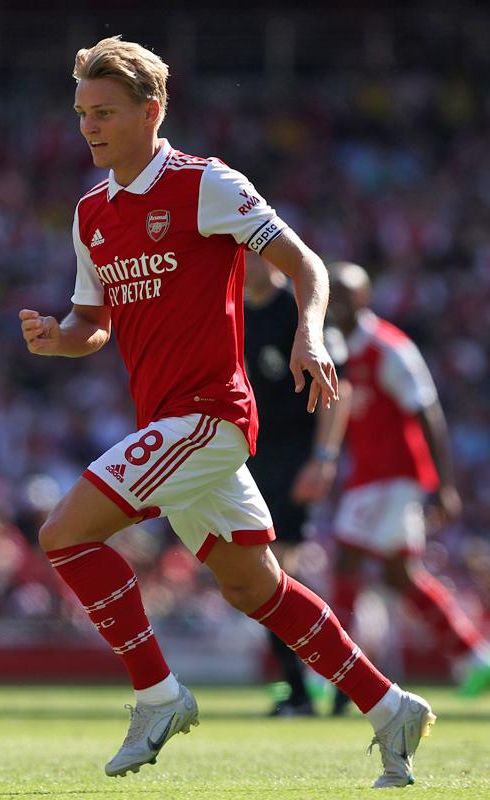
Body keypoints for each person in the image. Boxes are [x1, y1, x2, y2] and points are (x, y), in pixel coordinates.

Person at [19, 36, 435, 788]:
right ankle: (390, 706)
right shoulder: (91, 213)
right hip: (168, 426)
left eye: (105, 111)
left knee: (64, 533)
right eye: (82, 112)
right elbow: (93, 323)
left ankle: (158, 696)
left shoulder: (204, 183)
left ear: (152, 110)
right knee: (255, 589)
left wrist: (310, 333)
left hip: (209, 417)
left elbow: (304, 263)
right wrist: (58, 338)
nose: (89, 126)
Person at [327, 261, 490, 712]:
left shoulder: (388, 347)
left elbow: (427, 410)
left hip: (393, 475)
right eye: (331, 293)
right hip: (369, 475)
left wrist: (443, 484)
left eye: (345, 294)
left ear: (364, 299)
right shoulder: (337, 347)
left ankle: (332, 673)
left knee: (346, 558)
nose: (336, 302)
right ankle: (474, 655)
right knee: (399, 575)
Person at [245, 253, 352, 716]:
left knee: (275, 568)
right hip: (256, 454)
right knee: (264, 571)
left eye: (251, 253)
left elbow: (340, 388)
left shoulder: (300, 309)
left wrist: (323, 458)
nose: (244, 263)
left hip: (297, 453)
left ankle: (316, 682)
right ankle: (316, 682)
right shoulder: (231, 311)